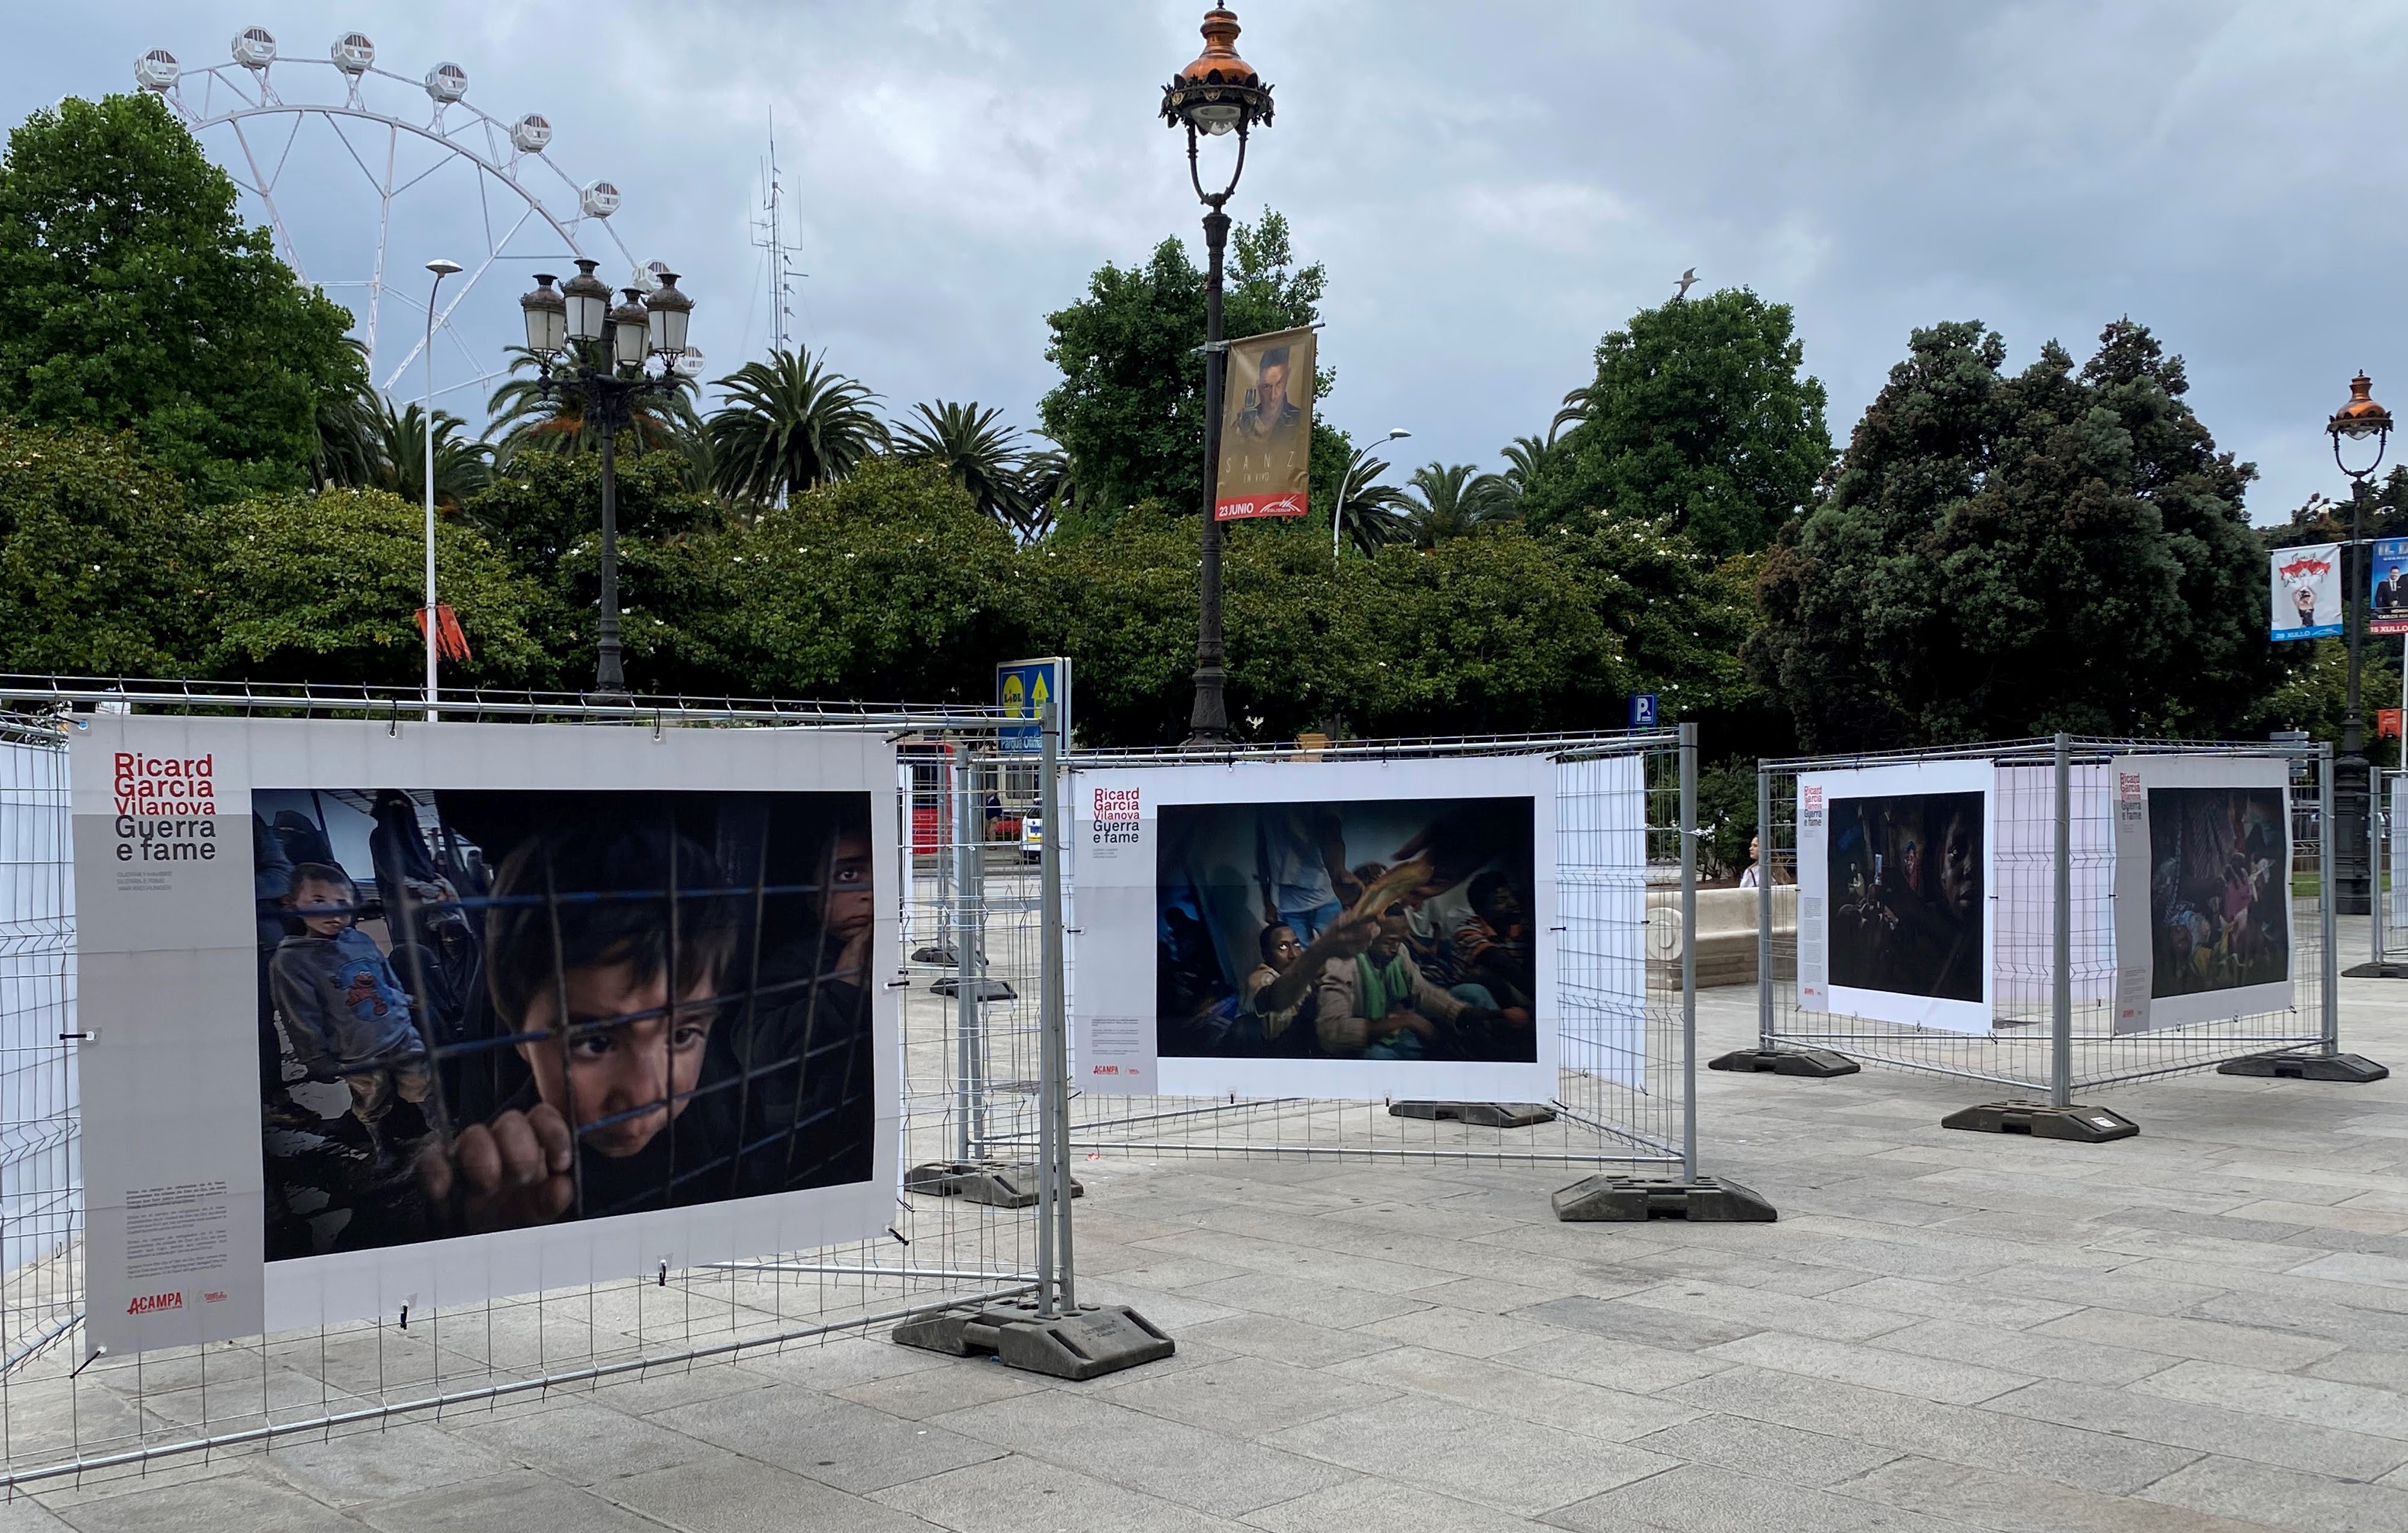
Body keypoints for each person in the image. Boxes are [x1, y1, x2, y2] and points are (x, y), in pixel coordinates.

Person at [419, 821, 741, 1232]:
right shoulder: (505, 1185)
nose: (644, 1095)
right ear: (519, 1033)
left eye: (681, 1036)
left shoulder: (724, 1114)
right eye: (596, 1042)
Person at [268, 864, 434, 1170]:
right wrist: (315, 1058)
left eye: (343, 902)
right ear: (292, 904)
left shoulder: (359, 940)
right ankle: (383, 1145)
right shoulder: (291, 961)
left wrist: (405, 1000)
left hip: (398, 1034)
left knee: (421, 1082)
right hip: (356, 1052)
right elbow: (300, 1016)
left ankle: (439, 1131)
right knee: (371, 1099)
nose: (334, 911)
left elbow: (384, 978)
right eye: (319, 900)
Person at [1234, 344, 1303, 440]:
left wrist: (1263, 442)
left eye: (1279, 384)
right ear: (1258, 385)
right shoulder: (1245, 422)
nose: (1273, 396)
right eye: (1266, 387)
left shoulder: (1300, 419)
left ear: (1288, 376)